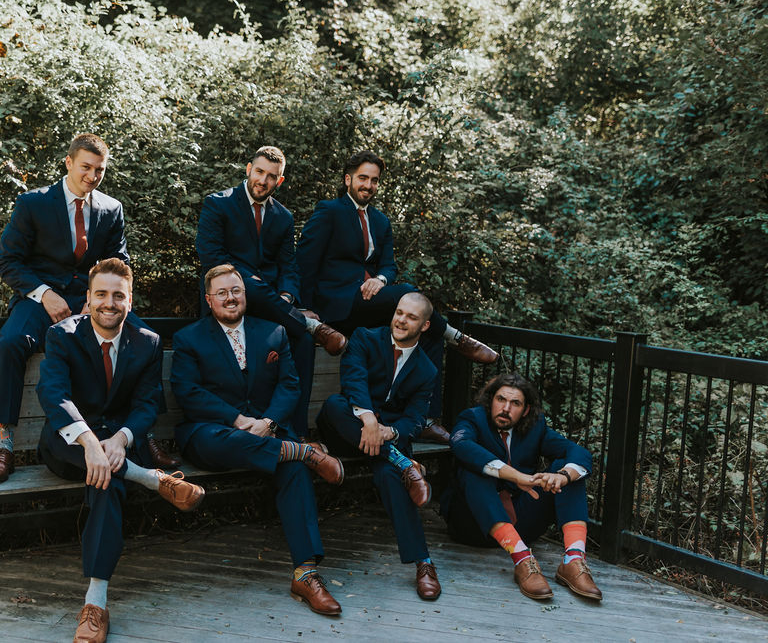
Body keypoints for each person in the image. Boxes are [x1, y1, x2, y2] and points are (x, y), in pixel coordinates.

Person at [0, 133, 175, 484]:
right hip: (40, 299)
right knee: (11, 342)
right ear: (69, 163)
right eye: (86, 167)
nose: (92, 175)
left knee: (145, 339)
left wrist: (93, 299)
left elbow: (119, 263)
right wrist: (44, 294)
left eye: (99, 170)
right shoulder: (33, 203)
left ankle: (145, 436)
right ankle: (4, 444)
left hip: (93, 299)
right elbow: (7, 261)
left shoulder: (111, 209)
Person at [36, 258, 206, 643]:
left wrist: (120, 440)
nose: (109, 303)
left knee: (106, 481)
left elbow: (147, 404)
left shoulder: (147, 342)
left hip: (118, 445)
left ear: (130, 300)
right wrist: (90, 443)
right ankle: (150, 478)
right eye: (101, 295)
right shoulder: (62, 335)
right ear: (88, 298)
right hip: (68, 442)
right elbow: (54, 394)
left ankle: (95, 603)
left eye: (118, 296)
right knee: (100, 466)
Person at [171, 264, 346, 616]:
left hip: (267, 432)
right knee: (229, 442)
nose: (230, 298)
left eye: (236, 290)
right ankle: (301, 451)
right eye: (221, 292)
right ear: (209, 299)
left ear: (245, 295)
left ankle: (306, 573)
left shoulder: (273, 333)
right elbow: (188, 392)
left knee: (294, 469)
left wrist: (268, 422)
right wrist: (237, 420)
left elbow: (289, 385)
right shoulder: (189, 338)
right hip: (214, 433)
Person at [297, 149, 498, 443]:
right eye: (363, 178)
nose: (368, 185)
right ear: (348, 179)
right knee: (408, 293)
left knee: (421, 325)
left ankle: (426, 419)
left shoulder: (381, 221)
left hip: (369, 304)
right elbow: (305, 262)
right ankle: (456, 337)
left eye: (374, 180)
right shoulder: (329, 211)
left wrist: (380, 280)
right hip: (337, 305)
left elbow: (389, 266)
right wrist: (305, 308)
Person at [195, 145, 347, 437]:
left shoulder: (283, 216)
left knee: (302, 341)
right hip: (228, 296)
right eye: (259, 171)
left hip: (270, 306)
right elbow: (212, 257)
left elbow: (289, 266)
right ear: (248, 169)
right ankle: (308, 322)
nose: (263, 180)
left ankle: (297, 433)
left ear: (280, 180)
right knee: (246, 282)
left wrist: (287, 297)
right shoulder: (218, 203)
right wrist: (251, 281)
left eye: (271, 176)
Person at [316, 291, 444, 601]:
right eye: (399, 312)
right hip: (346, 432)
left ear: (425, 325)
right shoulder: (365, 338)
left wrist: (389, 432)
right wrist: (370, 421)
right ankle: (404, 463)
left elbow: (415, 419)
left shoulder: (426, 369)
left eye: (411, 317)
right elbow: (353, 380)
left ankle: (423, 562)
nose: (401, 320)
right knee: (334, 405)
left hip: (386, 441)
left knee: (391, 477)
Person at [442, 373, 602, 601]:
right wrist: (516, 476)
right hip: (473, 525)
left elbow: (578, 452)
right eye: (500, 400)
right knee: (474, 469)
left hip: (521, 524)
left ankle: (573, 560)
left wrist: (563, 477)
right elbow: (461, 445)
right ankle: (523, 561)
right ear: (491, 401)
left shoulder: (535, 427)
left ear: (525, 410)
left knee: (568, 470)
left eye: (515, 403)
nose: (506, 408)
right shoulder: (473, 419)